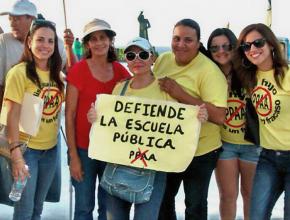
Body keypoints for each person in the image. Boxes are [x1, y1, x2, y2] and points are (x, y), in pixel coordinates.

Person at [87, 36, 208, 220]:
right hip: (118, 167)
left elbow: (179, 124)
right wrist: (95, 118)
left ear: (152, 58)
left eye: (143, 54)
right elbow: (108, 126)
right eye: (130, 55)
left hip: (153, 170)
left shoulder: (165, 89)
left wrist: (198, 117)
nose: (137, 60)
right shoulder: (119, 89)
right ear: (126, 60)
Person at [154, 19, 228, 220]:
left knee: (194, 206)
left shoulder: (209, 71)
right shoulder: (163, 60)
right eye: (176, 38)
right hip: (167, 146)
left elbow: (220, 116)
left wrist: (180, 93)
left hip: (201, 151)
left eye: (188, 40)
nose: (181, 44)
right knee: (162, 200)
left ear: (198, 44)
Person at [65, 18, 130, 220]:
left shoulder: (120, 71)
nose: (99, 42)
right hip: (84, 150)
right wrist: (73, 156)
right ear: (87, 44)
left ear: (110, 41)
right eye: (93, 39)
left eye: (103, 37)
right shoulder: (78, 70)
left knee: (108, 208)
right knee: (84, 207)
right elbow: (70, 115)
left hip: (110, 151)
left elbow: (136, 102)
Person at [3, 18, 64, 220]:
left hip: (51, 151)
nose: (45, 46)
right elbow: (11, 115)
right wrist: (16, 154)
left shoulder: (58, 75)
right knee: (24, 210)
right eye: (40, 40)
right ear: (29, 42)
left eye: (50, 41)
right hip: (26, 151)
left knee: (37, 208)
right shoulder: (19, 73)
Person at [234, 23, 290, 220]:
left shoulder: (287, 74)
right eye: (246, 46)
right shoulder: (249, 77)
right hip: (268, 158)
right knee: (256, 215)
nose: (252, 49)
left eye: (258, 43)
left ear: (271, 44)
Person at [207, 28, 260, 220]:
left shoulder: (251, 71)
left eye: (226, 46)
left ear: (235, 47)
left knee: (251, 197)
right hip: (224, 144)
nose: (220, 51)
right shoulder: (208, 75)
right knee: (227, 197)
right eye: (214, 48)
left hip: (252, 145)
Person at [0, 0, 69, 110]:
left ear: (31, 19)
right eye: (10, 18)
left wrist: (69, 47)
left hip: (48, 116)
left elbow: (70, 73)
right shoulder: (3, 41)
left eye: (17, 19)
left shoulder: (57, 43)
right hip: (13, 115)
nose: (12, 23)